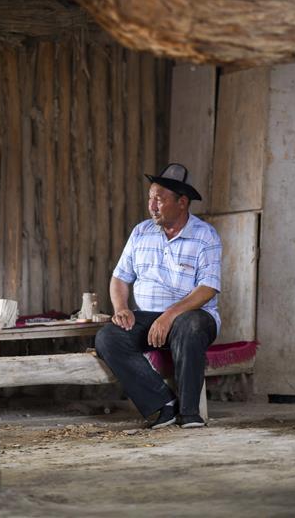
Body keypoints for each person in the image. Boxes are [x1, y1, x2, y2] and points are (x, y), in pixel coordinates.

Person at [96, 163, 222, 429]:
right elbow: (120, 277)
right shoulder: (141, 232)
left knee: (190, 325)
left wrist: (169, 316)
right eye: (150, 198)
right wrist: (121, 308)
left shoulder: (205, 235)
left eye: (160, 200)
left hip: (192, 317)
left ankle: (189, 413)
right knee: (108, 337)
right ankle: (163, 404)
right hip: (149, 318)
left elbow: (207, 288)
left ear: (182, 202)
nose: (152, 206)